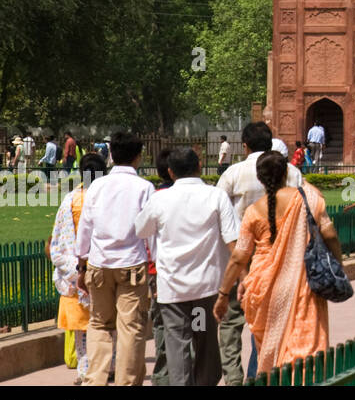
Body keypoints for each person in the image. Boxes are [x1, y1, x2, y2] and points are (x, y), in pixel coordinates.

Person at [214, 152, 340, 376]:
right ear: (286, 173)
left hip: (264, 286)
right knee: (304, 350)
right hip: (302, 284)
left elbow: (239, 256)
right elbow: (329, 234)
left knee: (270, 353)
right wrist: (337, 265)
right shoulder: (309, 199)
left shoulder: (253, 212)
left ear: (260, 179)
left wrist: (224, 294)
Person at [133, 146, 238, 387]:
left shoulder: (160, 199)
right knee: (204, 339)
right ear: (199, 167)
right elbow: (232, 239)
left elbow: (141, 229)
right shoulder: (215, 196)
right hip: (205, 288)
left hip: (174, 291)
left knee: (178, 343)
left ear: (170, 172)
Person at [214, 121, 303, 386]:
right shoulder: (292, 173)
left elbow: (219, 213)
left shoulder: (234, 173)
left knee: (231, 320)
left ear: (244, 145)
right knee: (271, 318)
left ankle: (234, 376)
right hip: (280, 255)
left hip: (240, 253)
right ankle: (261, 372)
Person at [74, 131, 155, 387]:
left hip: (99, 263)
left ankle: (94, 381)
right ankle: (126, 383)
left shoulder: (97, 186)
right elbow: (151, 231)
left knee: (99, 324)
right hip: (131, 263)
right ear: (138, 156)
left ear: (112, 155)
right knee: (130, 328)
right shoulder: (144, 187)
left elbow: (85, 229)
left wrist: (81, 267)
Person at [49, 151, 106, 384]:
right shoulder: (106, 199)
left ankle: (85, 370)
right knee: (106, 325)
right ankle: (106, 366)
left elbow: (59, 241)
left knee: (82, 329)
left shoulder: (71, 200)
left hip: (77, 271)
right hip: (105, 269)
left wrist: (73, 271)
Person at [146, 148, 174, 386]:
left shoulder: (153, 199)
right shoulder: (202, 196)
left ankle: (163, 376)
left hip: (159, 274)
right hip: (196, 279)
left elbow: (143, 238)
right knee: (196, 324)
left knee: (162, 323)